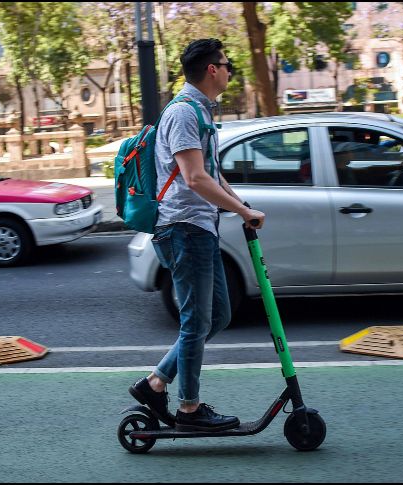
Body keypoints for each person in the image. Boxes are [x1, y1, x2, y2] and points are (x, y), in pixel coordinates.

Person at [128, 38, 266, 433]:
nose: (229, 71)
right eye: (227, 64)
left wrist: (243, 206)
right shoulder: (184, 113)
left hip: (200, 228)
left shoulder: (200, 113)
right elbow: (194, 177)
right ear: (211, 70)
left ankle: (155, 383)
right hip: (184, 229)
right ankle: (189, 411)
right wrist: (241, 211)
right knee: (194, 322)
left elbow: (212, 175)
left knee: (217, 315)